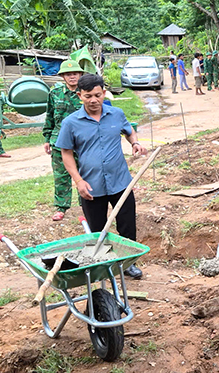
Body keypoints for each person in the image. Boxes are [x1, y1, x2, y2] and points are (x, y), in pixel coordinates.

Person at [55, 74, 147, 279]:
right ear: (80, 95)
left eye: (98, 95)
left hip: (121, 182)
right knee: (97, 229)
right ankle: (103, 265)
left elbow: (129, 130)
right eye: (88, 96)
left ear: (104, 93)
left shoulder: (116, 114)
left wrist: (135, 143)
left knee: (127, 225)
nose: (94, 100)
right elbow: (66, 153)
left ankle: (128, 263)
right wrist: (78, 181)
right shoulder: (71, 123)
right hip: (91, 186)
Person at [43, 60, 85, 221]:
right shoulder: (55, 93)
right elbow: (50, 117)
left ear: (80, 74)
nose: (72, 76)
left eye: (75, 73)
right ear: (62, 76)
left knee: (85, 174)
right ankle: (61, 207)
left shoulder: (86, 92)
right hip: (59, 141)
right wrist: (47, 138)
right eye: (68, 74)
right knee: (61, 176)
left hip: (82, 142)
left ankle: (86, 206)